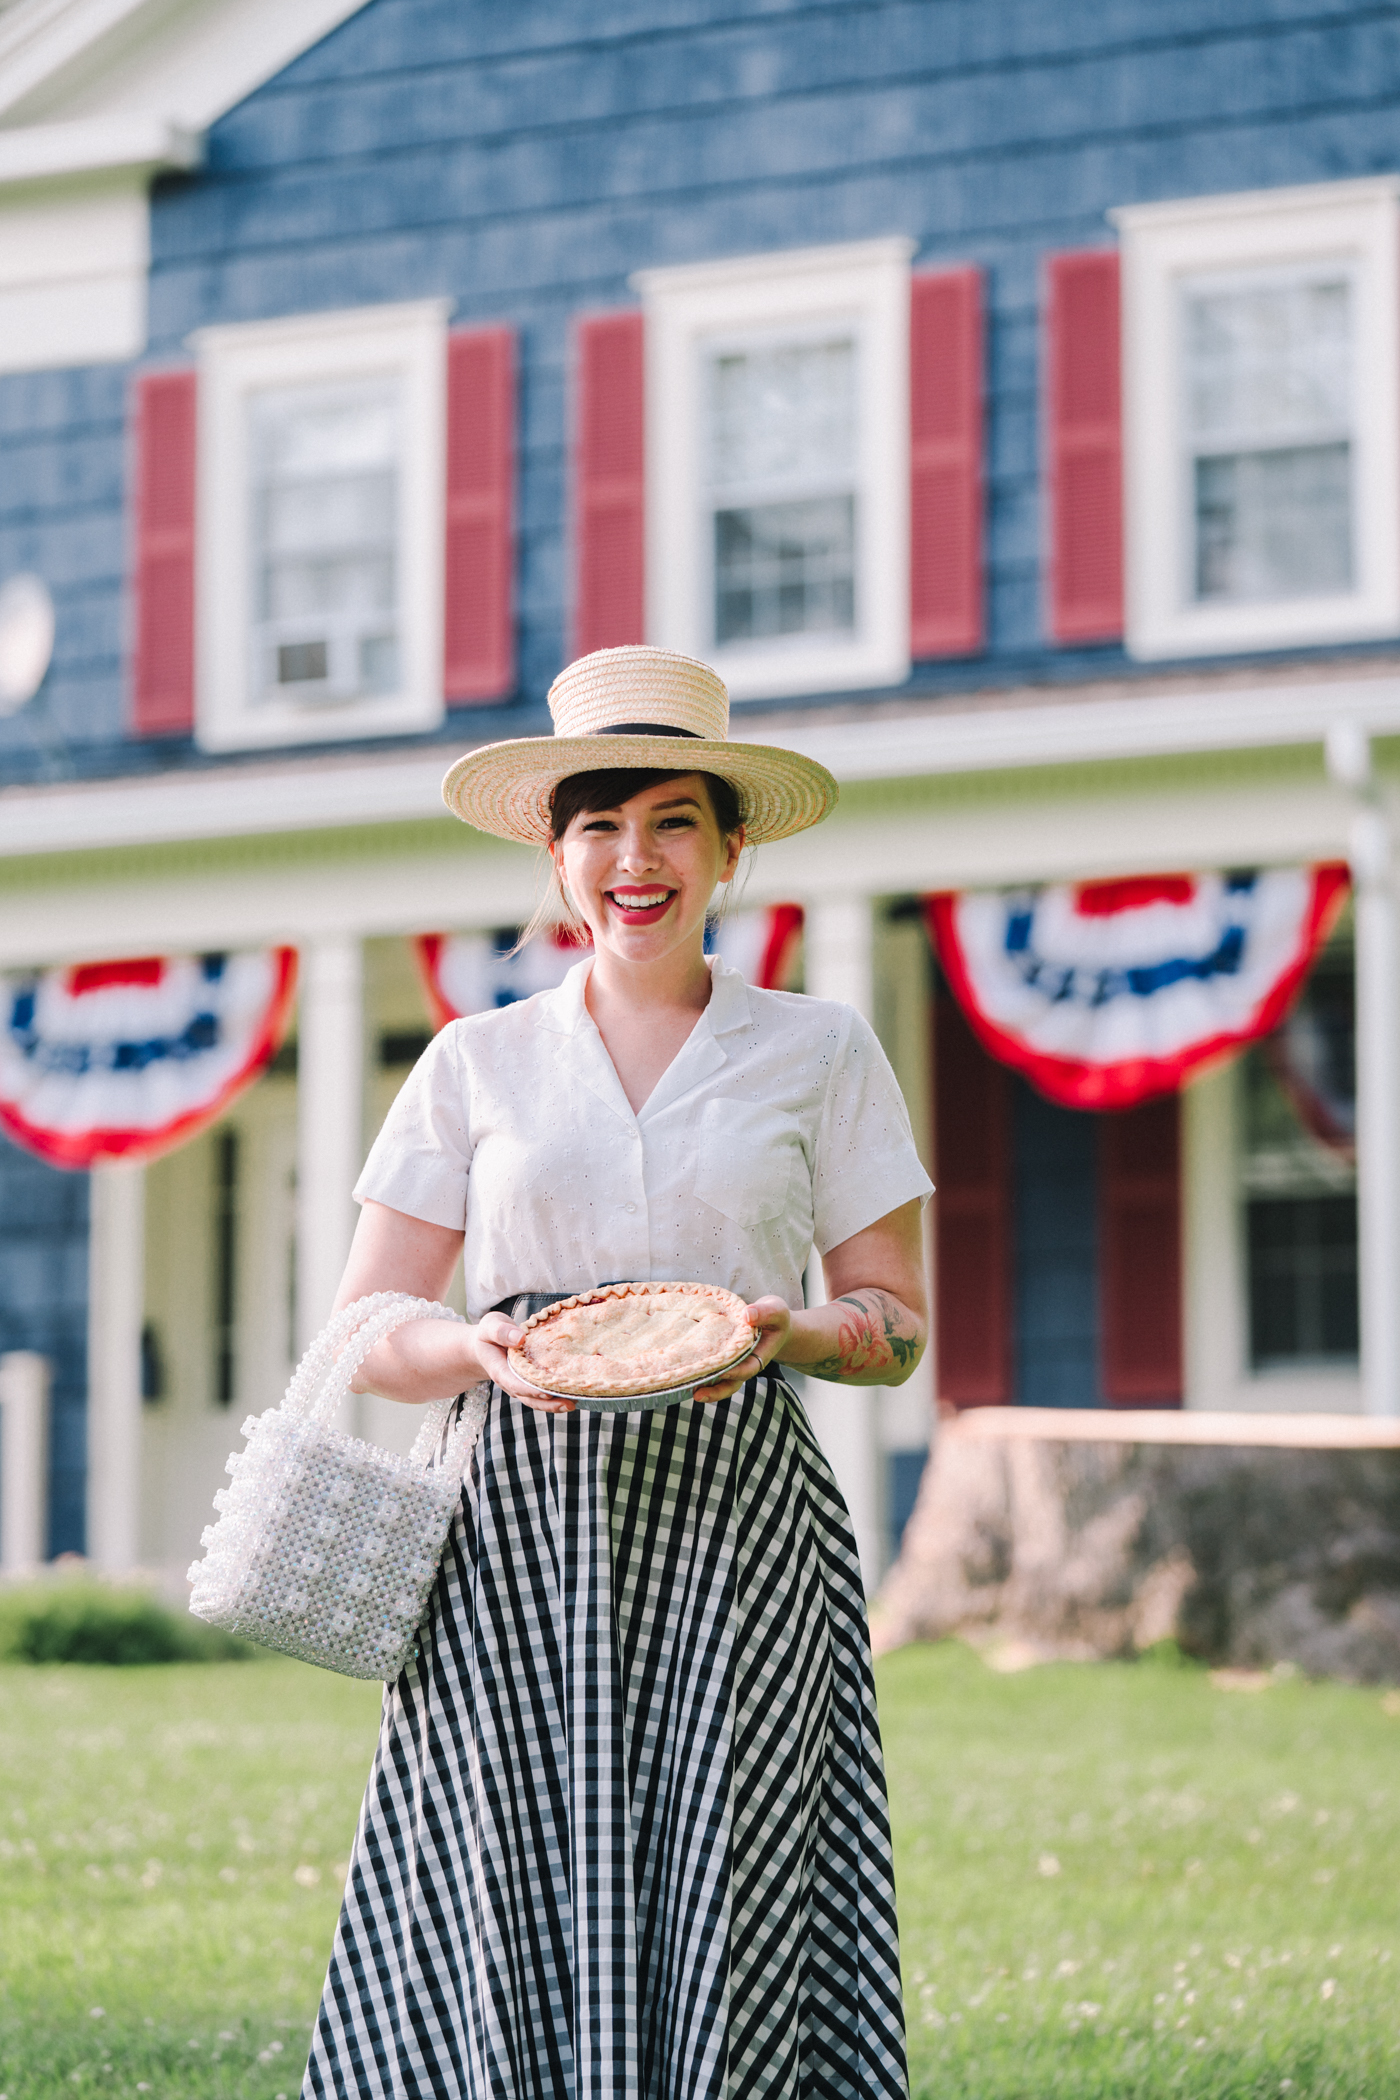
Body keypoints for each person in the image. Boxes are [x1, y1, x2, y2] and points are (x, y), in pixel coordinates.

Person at [302, 645, 933, 2100]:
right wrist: (476, 1346)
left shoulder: (820, 1051)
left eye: (669, 822)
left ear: (730, 847)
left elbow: (897, 1327)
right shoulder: (475, 1061)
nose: (633, 861)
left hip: (742, 1537)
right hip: (513, 1542)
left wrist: (796, 1336)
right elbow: (364, 1334)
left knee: (742, 1873)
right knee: (504, 1880)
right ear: (556, 848)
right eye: (599, 824)